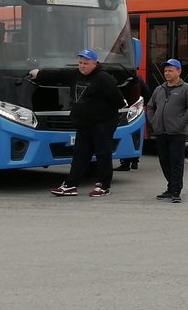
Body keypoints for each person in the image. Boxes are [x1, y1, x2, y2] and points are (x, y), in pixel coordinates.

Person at [31, 49, 124, 198]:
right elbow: (58, 74)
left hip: (102, 124)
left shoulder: (104, 79)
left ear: (94, 63)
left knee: (102, 153)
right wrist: (39, 74)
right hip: (84, 124)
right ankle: (70, 185)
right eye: (80, 63)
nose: (82, 66)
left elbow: (119, 101)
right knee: (80, 154)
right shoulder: (75, 74)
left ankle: (103, 186)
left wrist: (102, 113)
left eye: (86, 63)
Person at [145, 58, 188, 203]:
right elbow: (150, 107)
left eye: (170, 70)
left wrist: (181, 123)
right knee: (164, 161)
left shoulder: (187, 89)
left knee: (176, 162)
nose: (167, 73)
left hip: (177, 133)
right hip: (160, 132)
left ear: (179, 71)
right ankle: (170, 187)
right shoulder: (159, 89)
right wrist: (153, 121)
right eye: (165, 70)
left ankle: (176, 191)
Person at [116, 71, 150, 171]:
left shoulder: (119, 80)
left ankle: (125, 163)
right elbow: (147, 93)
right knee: (135, 135)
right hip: (136, 109)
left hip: (124, 110)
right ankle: (134, 161)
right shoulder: (138, 79)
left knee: (125, 133)